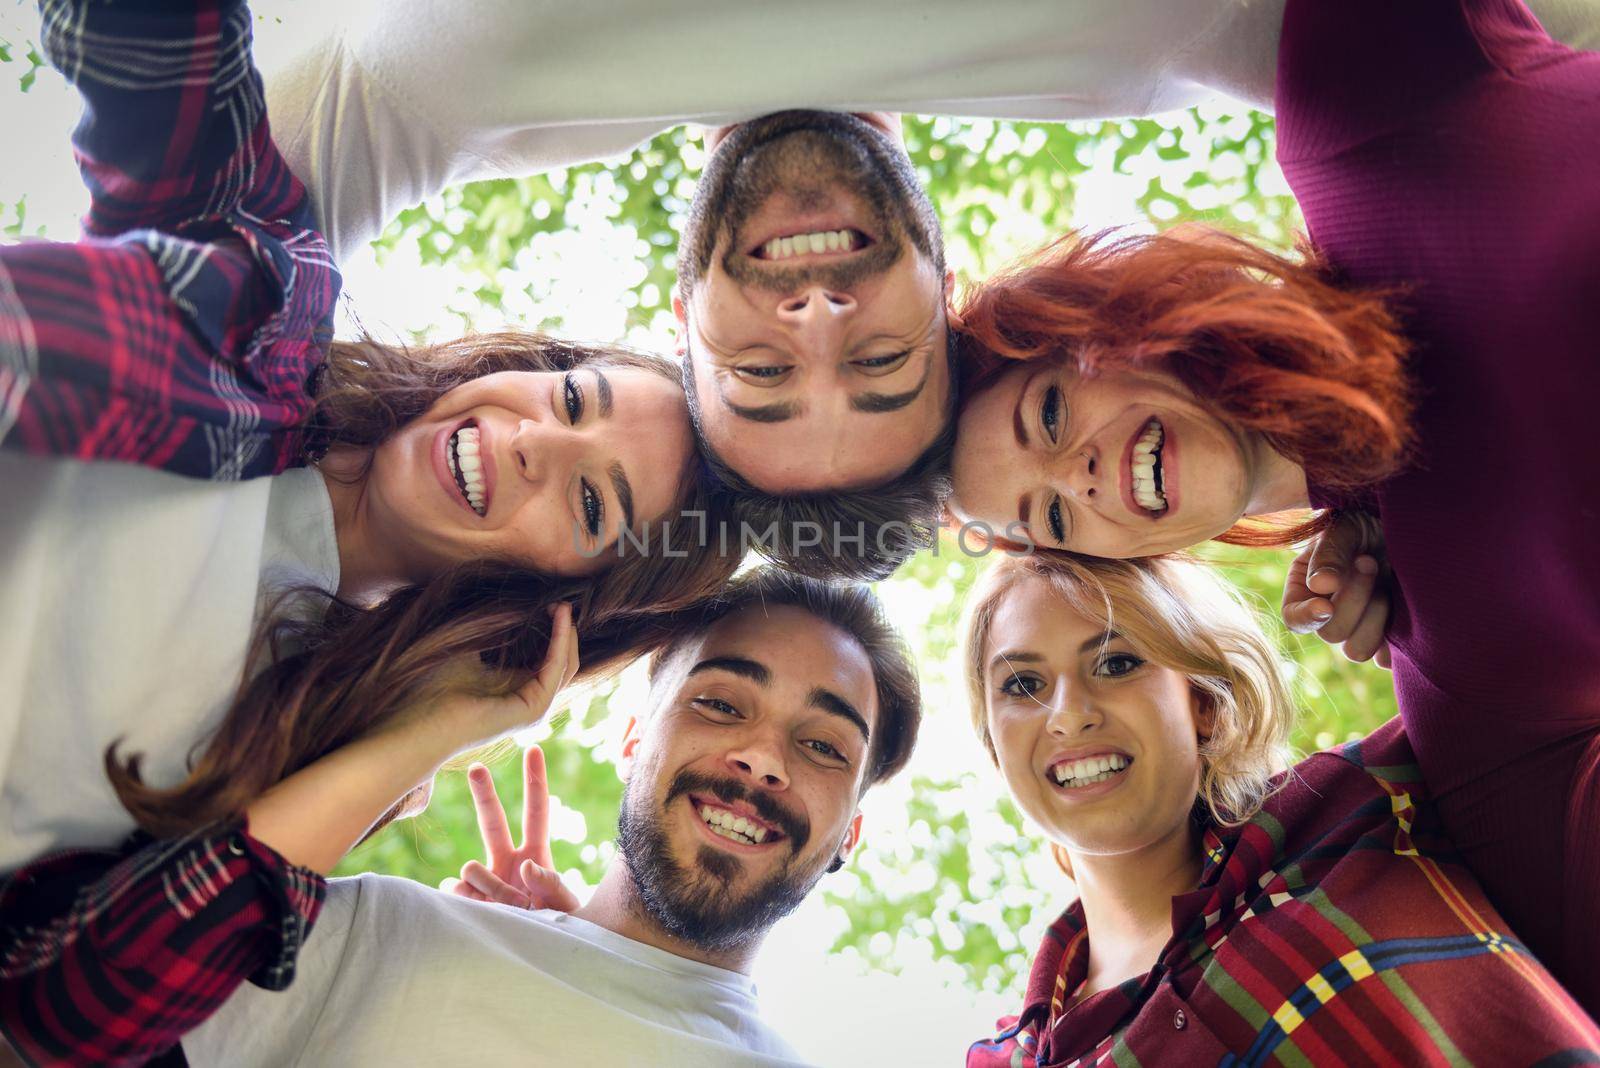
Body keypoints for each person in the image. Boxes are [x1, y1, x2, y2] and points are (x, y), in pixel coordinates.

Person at [0, 0, 735, 971]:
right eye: (568, 395)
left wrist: (436, 730)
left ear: (556, 599)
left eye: (593, 503)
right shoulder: (262, 314)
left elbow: (68, 1011)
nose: (533, 443)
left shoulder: (301, 749)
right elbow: (153, 47)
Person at [944, 0, 1600, 1009]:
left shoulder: (1370, 120)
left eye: (1047, 414)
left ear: (1100, 324)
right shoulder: (1464, 666)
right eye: (1055, 518)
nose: (1075, 476)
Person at [0, 570, 923, 1064]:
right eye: (722, 703)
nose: (762, 757)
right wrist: (427, 736)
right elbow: (51, 1021)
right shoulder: (382, 934)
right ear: (634, 739)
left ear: (852, 833)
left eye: (823, 747)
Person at [959, 551, 1600, 1065]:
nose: (1068, 714)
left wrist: (1391, 540)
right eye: (1023, 685)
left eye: (1117, 662)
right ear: (994, 740)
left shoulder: (1366, 803)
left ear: (1203, 705)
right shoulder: (1006, 1059)